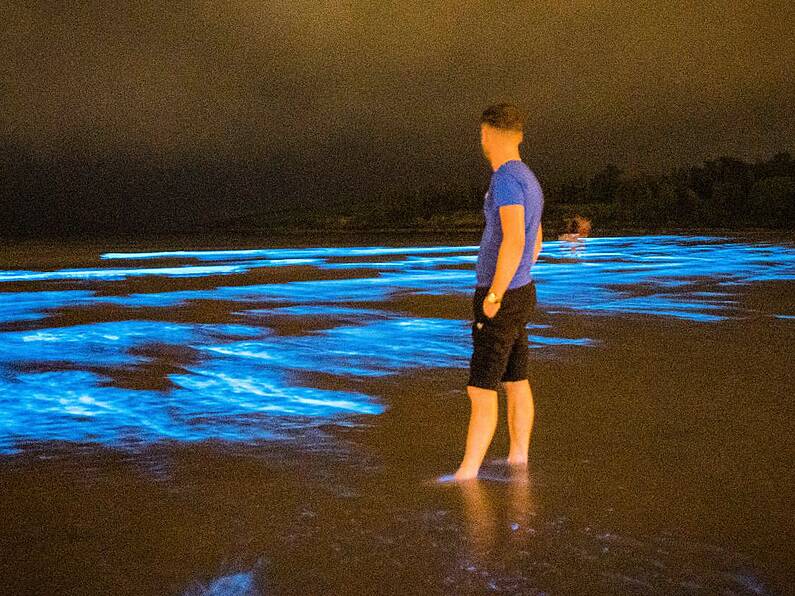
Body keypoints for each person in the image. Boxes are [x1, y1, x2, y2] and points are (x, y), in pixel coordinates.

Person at [451, 102, 544, 482]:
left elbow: (514, 237)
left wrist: (496, 294)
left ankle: (466, 475)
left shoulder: (505, 178)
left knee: (481, 388)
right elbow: (535, 238)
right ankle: (518, 459)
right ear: (518, 135)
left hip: (502, 295)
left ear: (487, 134)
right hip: (522, 292)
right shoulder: (529, 178)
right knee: (516, 380)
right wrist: (520, 277)